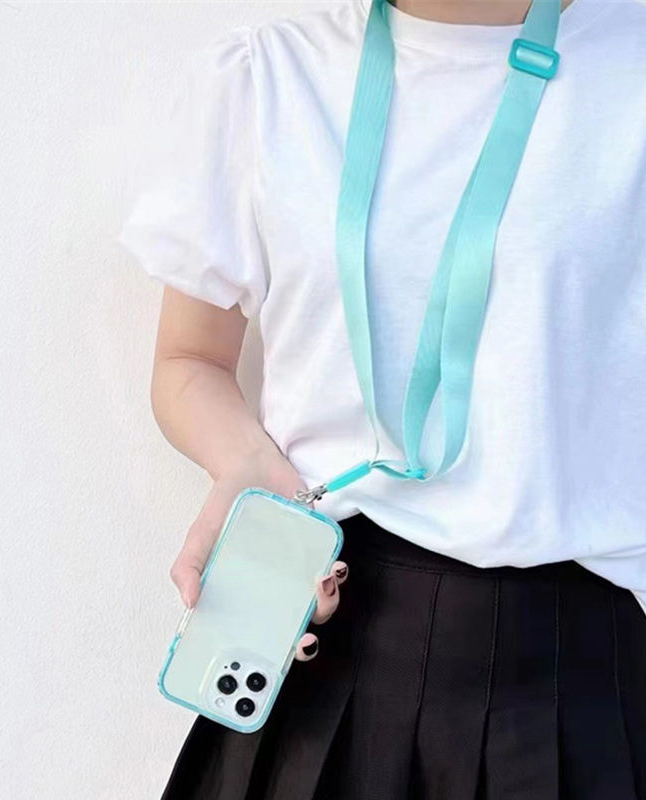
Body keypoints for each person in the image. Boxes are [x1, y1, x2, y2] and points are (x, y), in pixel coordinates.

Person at [117, 0, 646, 796]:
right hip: (330, 637)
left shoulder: (630, 62)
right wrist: (250, 468)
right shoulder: (270, 77)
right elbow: (189, 358)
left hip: (586, 675)